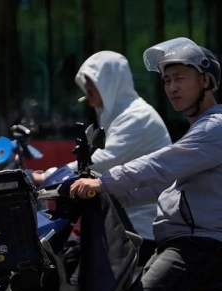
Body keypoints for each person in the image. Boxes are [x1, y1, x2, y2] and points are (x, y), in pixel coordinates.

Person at [70, 37, 222, 291]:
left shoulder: (215, 127)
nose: (172, 88)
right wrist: (112, 197)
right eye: (167, 80)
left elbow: (159, 165)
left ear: (205, 81)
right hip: (181, 241)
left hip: (201, 245)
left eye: (180, 78)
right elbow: (166, 187)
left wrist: (103, 184)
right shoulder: (200, 130)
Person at [33, 51, 171, 265]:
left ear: (111, 81)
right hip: (122, 223)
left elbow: (100, 162)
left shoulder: (138, 118)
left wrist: (47, 177)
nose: (86, 88)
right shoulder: (119, 116)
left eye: (93, 80)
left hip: (141, 229)